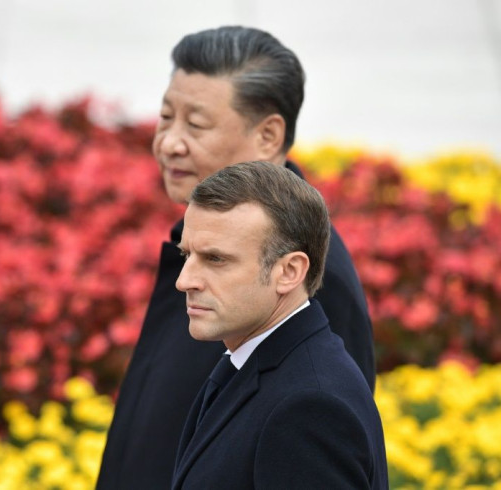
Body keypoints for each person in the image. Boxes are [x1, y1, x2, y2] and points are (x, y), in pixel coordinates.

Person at [96, 26, 375, 490]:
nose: (169, 143)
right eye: (166, 118)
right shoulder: (198, 242)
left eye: (197, 125)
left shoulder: (314, 284)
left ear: (268, 136)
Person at [172, 161, 387, 489]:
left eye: (216, 259)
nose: (184, 280)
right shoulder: (263, 363)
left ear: (289, 272)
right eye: (186, 255)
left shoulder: (309, 408)